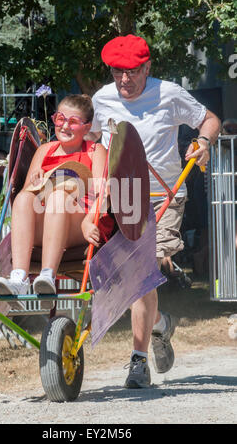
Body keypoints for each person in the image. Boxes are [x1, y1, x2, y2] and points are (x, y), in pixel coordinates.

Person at [89, 34, 221, 388]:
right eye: (117, 72)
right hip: (121, 196)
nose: (124, 80)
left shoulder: (169, 94)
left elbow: (209, 119)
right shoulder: (102, 99)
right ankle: (161, 324)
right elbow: (93, 143)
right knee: (132, 276)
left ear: (148, 67)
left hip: (164, 194)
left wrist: (203, 142)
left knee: (144, 271)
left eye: (132, 72)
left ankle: (137, 361)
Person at [0, 94, 109, 310]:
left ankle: (47, 274)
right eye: (60, 119)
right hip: (45, 222)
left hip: (77, 223)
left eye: (73, 122)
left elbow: (104, 194)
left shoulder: (95, 150)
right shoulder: (44, 150)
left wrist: (88, 222)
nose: (65, 126)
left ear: (87, 127)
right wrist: (35, 182)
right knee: (25, 197)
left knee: (59, 197)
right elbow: (26, 197)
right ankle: (19, 278)